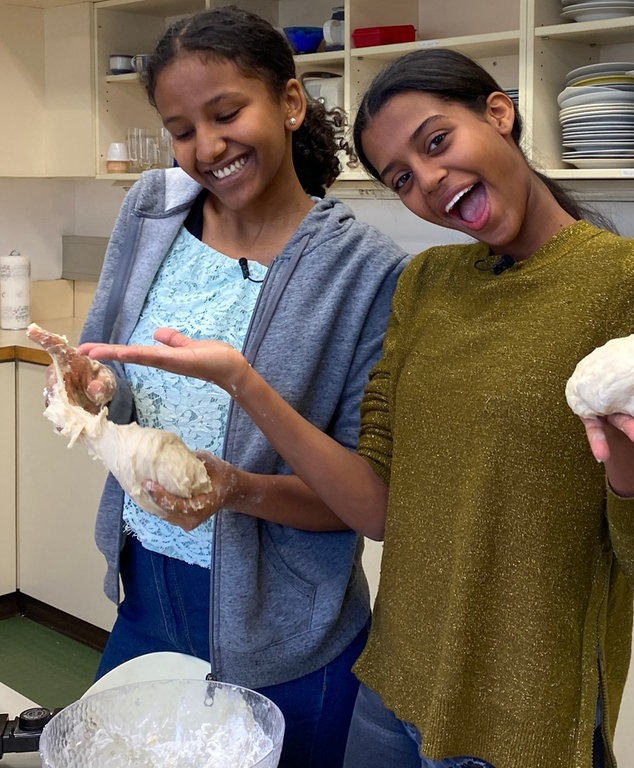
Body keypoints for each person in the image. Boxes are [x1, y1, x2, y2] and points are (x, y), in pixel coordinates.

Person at [79, 49, 634, 768]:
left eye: (436, 142)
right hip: (390, 695)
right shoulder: (427, 284)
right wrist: (241, 384)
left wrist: (630, 453)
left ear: (499, 113)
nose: (427, 181)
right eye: (400, 177)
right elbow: (374, 504)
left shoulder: (633, 280)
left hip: (528, 716)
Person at [57, 7, 409, 768]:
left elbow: (367, 500)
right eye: (182, 129)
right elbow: (118, 381)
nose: (206, 148)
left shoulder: (365, 271)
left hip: (285, 616)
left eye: (226, 113)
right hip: (146, 588)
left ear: (289, 102)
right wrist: (94, 391)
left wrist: (238, 485)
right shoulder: (151, 211)